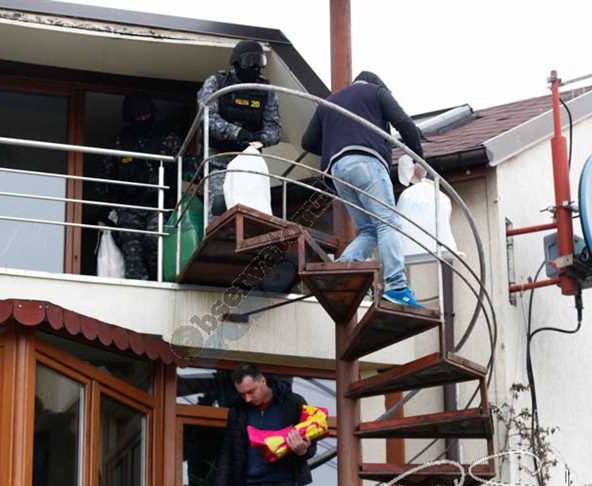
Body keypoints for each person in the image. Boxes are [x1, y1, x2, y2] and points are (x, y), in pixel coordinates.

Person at [301, 71, 425, 307]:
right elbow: (405, 124)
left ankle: (344, 266)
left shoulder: (328, 103)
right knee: (387, 222)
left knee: (369, 230)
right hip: (367, 164)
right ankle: (397, 286)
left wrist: (335, 145)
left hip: (338, 171)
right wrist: (418, 159)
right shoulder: (375, 92)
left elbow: (307, 142)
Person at [208, 364, 316, 486]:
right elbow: (228, 451)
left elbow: (311, 445)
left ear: (263, 380)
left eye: (251, 391)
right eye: (242, 394)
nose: (248, 398)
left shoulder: (293, 402)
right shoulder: (237, 411)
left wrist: (302, 450)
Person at [197, 40, 281, 221]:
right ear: (237, 62)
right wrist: (237, 133)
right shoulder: (217, 82)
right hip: (219, 157)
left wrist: (259, 138)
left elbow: (274, 129)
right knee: (219, 206)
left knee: (252, 209)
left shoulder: (266, 90)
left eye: (260, 62)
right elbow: (207, 118)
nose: (256, 68)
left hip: (249, 160)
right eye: (250, 62)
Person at [103, 92, 181, 280]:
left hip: (158, 204)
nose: (142, 118)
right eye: (138, 115)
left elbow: (182, 166)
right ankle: (138, 283)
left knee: (155, 240)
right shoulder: (121, 141)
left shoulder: (167, 138)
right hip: (129, 205)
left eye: (145, 114)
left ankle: (157, 281)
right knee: (131, 243)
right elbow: (107, 174)